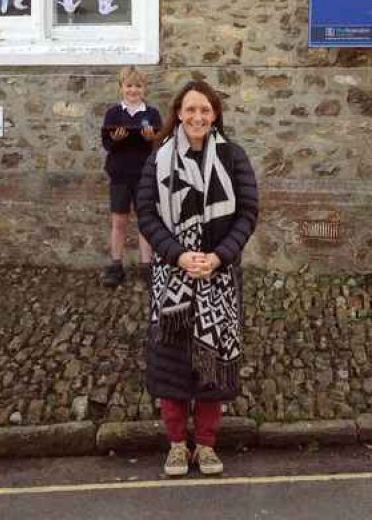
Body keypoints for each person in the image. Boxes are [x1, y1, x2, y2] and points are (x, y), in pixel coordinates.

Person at [137, 80, 259, 478]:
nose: (197, 117)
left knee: (212, 367)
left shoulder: (233, 157)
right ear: (178, 113)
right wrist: (177, 254)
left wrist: (219, 257)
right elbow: (147, 214)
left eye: (205, 110)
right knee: (171, 366)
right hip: (171, 280)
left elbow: (248, 214)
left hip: (218, 281)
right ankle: (176, 445)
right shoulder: (158, 159)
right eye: (190, 110)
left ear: (215, 114)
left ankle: (205, 445)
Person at [101, 66, 162, 287]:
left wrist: (150, 138)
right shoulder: (113, 113)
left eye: (138, 86)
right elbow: (107, 144)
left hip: (145, 174)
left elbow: (159, 144)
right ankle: (116, 266)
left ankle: (147, 267)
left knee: (145, 220)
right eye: (129, 85)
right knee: (119, 221)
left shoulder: (152, 114)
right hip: (120, 174)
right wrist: (116, 139)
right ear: (121, 88)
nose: (133, 90)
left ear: (144, 89)